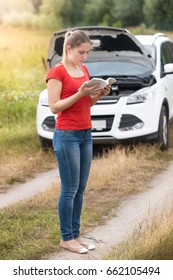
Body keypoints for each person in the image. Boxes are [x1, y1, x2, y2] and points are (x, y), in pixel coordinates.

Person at [46, 29, 110, 254]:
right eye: (81, 52)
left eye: (87, 53)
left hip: (85, 133)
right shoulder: (57, 72)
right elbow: (55, 106)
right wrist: (81, 93)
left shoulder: (83, 70)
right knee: (70, 188)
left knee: (81, 188)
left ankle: (75, 235)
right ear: (69, 48)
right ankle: (66, 238)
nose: (85, 57)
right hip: (67, 135)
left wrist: (98, 94)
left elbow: (87, 104)